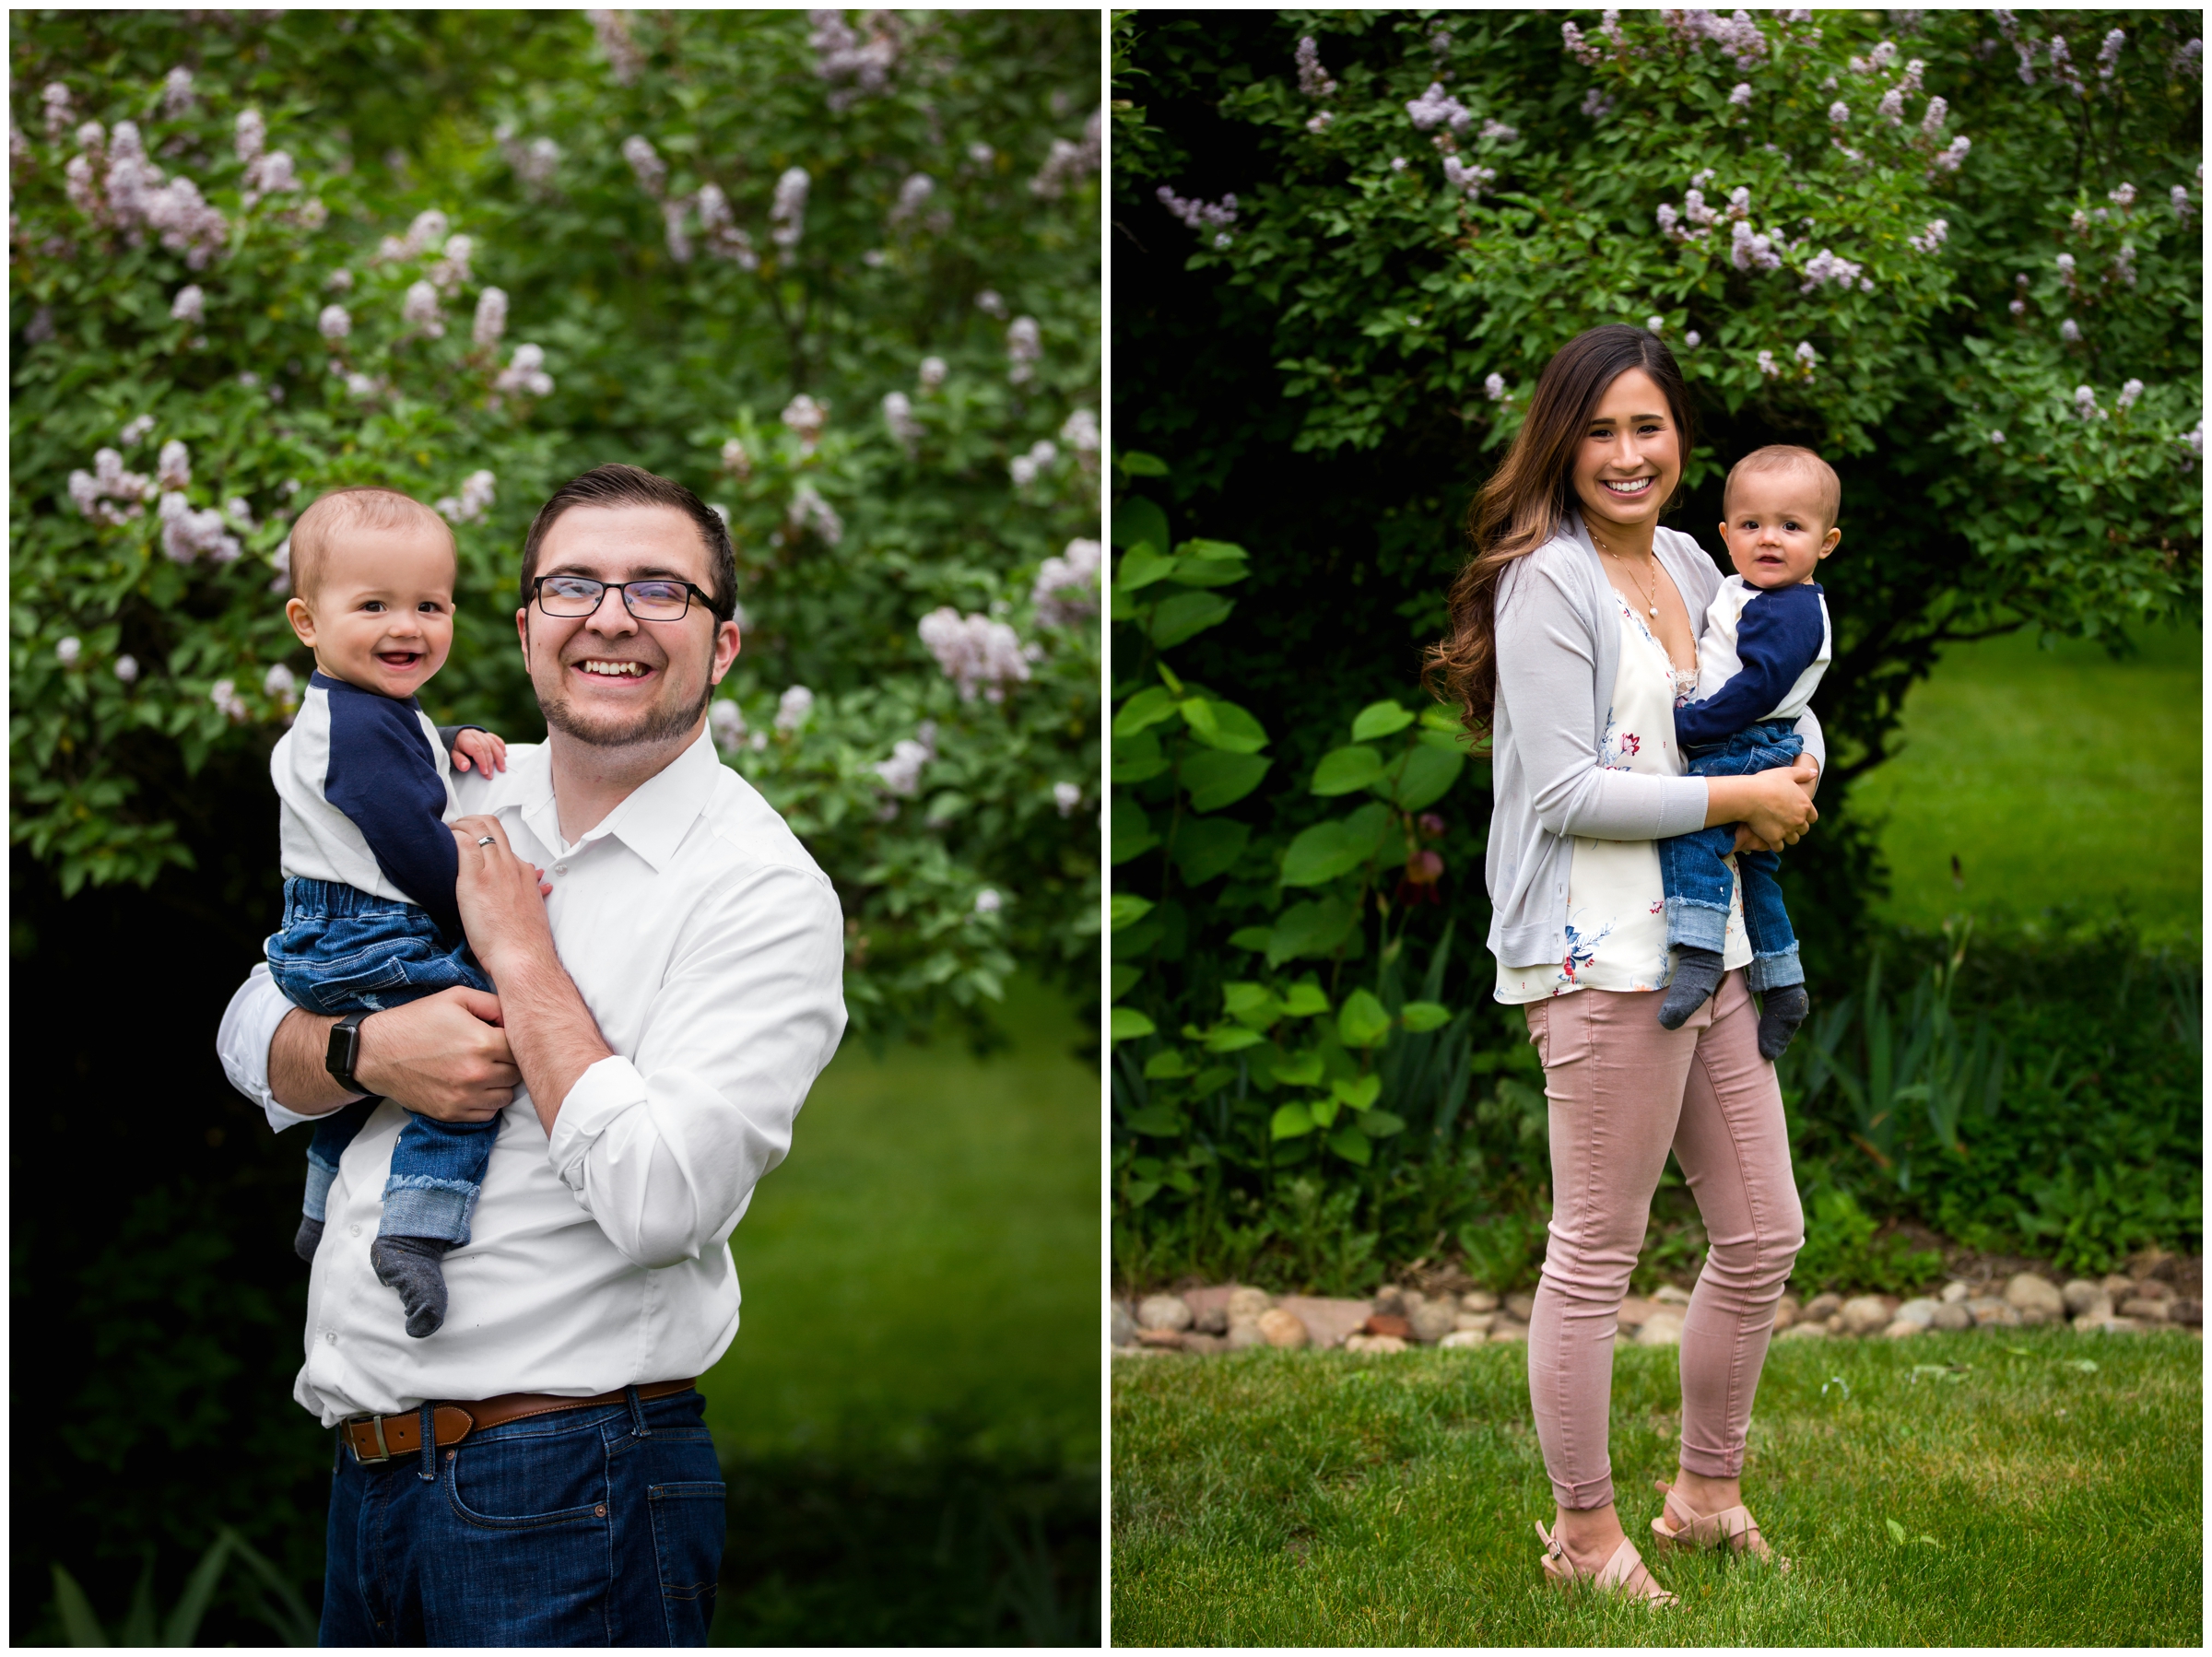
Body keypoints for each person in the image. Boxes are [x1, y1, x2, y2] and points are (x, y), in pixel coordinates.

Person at [218, 463, 847, 1645]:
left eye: (662, 589)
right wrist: (368, 1051)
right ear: (523, 630)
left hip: (572, 1484)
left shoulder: (761, 893)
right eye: (573, 585)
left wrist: (519, 955)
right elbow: (251, 1026)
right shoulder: (453, 785)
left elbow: (663, 1202)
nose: (611, 616)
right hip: (370, 1476)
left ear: (724, 647)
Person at [1425, 324, 1819, 1605]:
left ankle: (1705, 1496)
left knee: (1763, 1230)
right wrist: (1737, 799)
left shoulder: (1704, 560)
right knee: (1597, 1246)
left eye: (1648, 427)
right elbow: (1564, 792)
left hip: (1715, 941)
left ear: (1681, 444)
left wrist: (1791, 778)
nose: (1627, 453)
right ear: (1561, 442)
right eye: (1599, 430)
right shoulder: (1548, 581)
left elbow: (1749, 722)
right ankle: (1583, 1533)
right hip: (1601, 956)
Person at [263, 485, 514, 1339]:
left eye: (429, 605)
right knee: (482, 1027)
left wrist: (455, 742)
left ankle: (320, 1199)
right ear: (307, 621)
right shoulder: (365, 727)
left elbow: (405, 769)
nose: (406, 626)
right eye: (374, 605)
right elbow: (409, 841)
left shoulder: (366, 709)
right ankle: (418, 1224)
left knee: (382, 1066)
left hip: (330, 927)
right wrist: (481, 904)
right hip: (372, 928)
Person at [1654, 444, 1840, 1052]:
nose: (1769, 539)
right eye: (1752, 525)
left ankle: (1701, 955)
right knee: (1756, 870)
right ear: (1726, 534)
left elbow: (1759, 687)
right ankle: (1784, 983)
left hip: (1742, 742)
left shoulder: (1787, 610)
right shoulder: (1754, 592)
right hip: (1754, 740)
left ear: (1826, 543)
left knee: (1695, 830)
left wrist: (1692, 726)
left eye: (1791, 527)